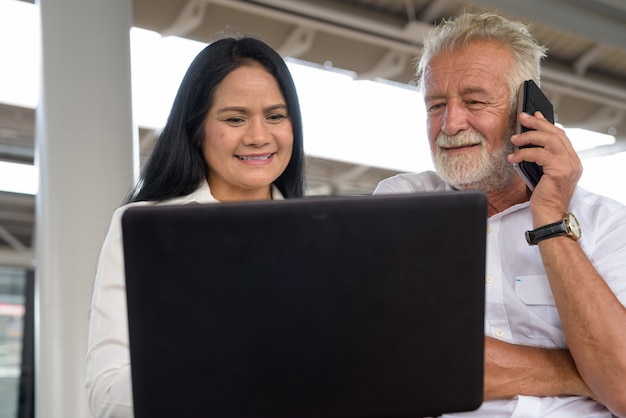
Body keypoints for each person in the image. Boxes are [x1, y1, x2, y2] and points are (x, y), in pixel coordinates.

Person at [374, 12, 626, 417]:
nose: (450, 124)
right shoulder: (402, 203)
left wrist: (551, 219)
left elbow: (623, 389)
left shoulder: (608, 224)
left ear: (528, 112)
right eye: (436, 105)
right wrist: (583, 371)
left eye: (474, 101)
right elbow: (400, 360)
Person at [85, 36, 305, 418]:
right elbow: (105, 395)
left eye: (275, 115)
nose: (258, 136)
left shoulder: (322, 233)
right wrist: (212, 358)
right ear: (196, 127)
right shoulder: (145, 229)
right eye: (235, 118)